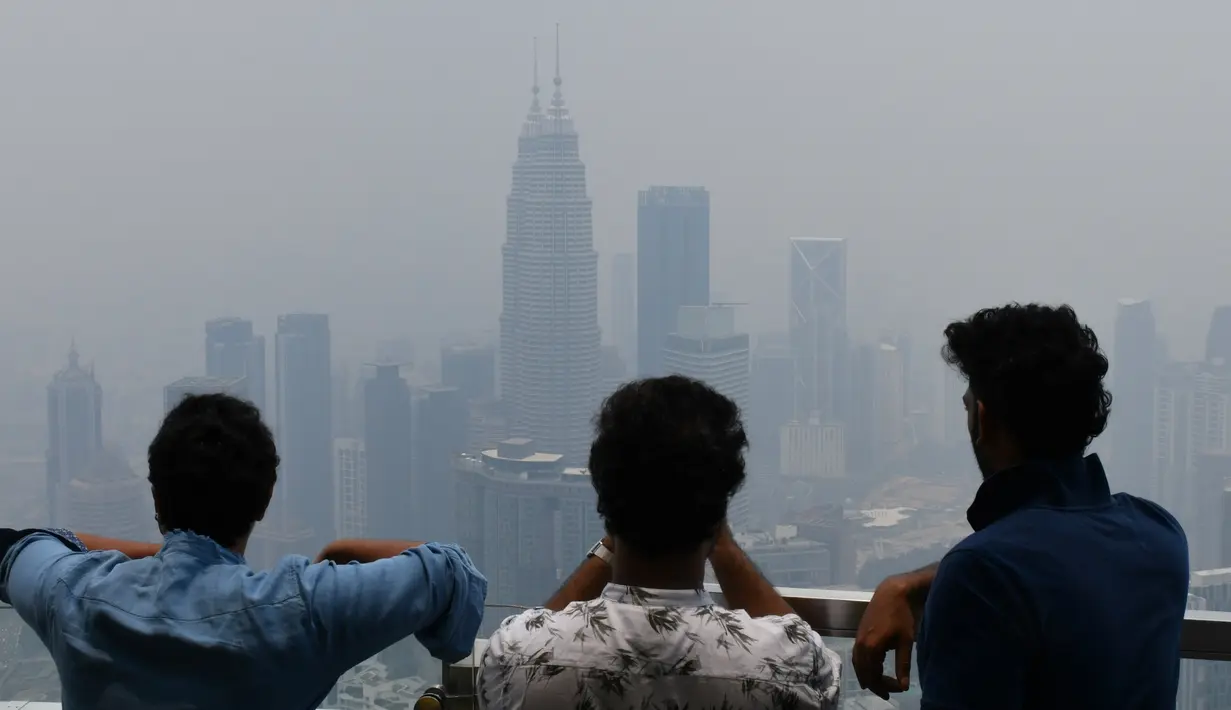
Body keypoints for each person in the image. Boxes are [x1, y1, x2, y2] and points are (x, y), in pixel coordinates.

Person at [0, 393, 487, 710]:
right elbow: (449, 572)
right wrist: (341, 551)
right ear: (265, 498)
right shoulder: (305, 608)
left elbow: (18, 545)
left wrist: (158, 556)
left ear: (155, 494)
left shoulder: (74, 594)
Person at [852, 304, 1189, 709]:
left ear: (982, 418)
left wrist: (933, 580)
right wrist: (912, 583)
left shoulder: (980, 576)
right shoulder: (1160, 536)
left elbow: (1023, 563)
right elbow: (1063, 560)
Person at [478, 375, 841, 710]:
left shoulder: (519, 657)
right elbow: (821, 680)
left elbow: (535, 637)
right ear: (718, 512)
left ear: (605, 500)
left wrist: (611, 541)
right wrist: (725, 547)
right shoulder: (784, 665)